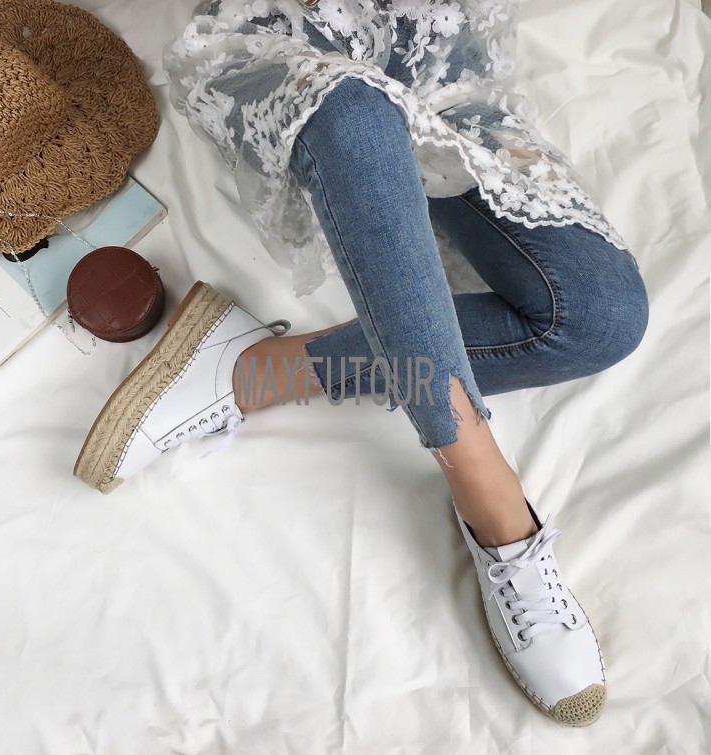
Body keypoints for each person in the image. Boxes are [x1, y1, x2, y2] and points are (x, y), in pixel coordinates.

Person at [75, 0, 649, 727]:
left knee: (603, 318)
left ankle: (257, 370)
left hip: (436, 53)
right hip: (288, 40)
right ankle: (493, 502)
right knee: (350, 109)